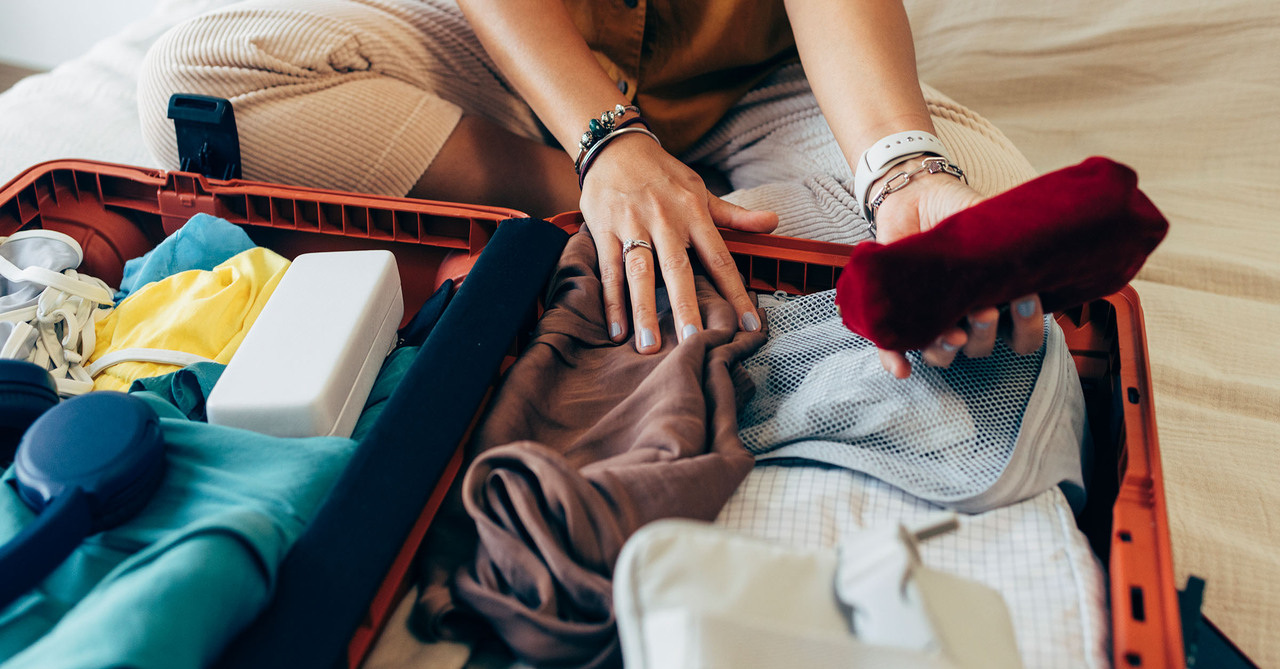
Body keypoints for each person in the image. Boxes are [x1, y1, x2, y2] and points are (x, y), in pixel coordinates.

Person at [138, 0, 1045, 376]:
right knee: (195, 80)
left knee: (990, 218)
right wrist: (609, 147)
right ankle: (649, 210)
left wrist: (902, 169)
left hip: (755, 78)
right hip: (521, 76)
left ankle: (674, 213)